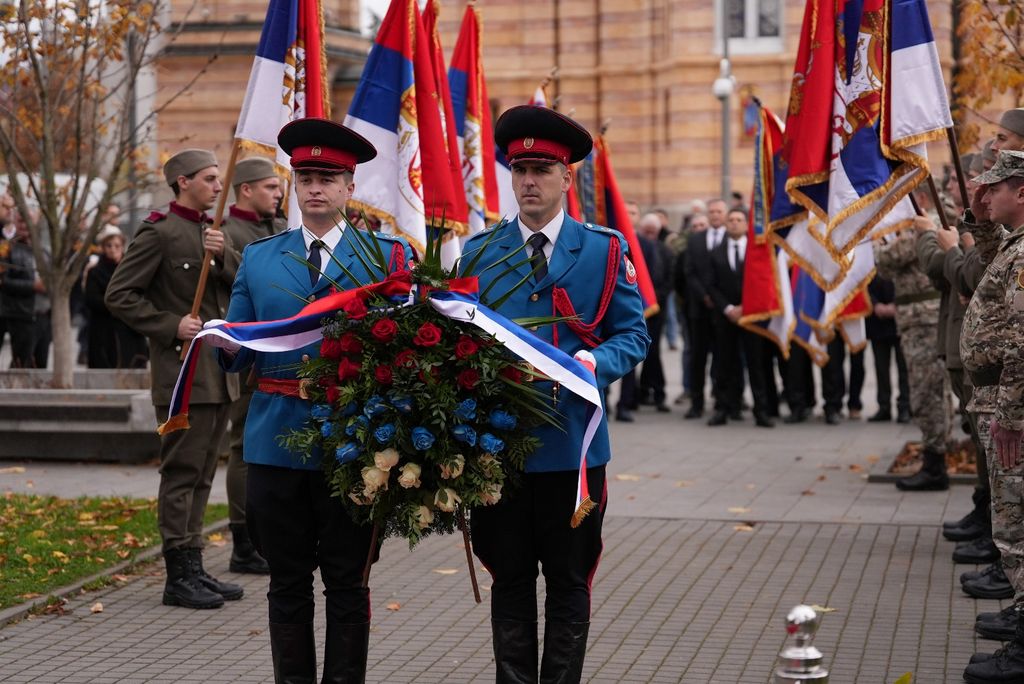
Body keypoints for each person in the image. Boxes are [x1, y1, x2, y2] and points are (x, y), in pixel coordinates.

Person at [213, 118, 411, 683]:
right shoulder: (260, 258)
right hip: (275, 441)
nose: (315, 188)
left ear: (351, 186)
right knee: (287, 582)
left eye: (328, 177)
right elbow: (242, 344)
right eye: (305, 177)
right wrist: (223, 345)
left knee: (349, 582)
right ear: (294, 185)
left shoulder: (384, 259)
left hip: (352, 442)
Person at [461, 105, 649, 684]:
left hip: (573, 450)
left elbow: (633, 333)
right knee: (509, 579)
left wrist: (596, 361)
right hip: (501, 450)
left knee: (569, 582)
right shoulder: (479, 253)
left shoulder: (603, 249)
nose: (529, 181)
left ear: (568, 178)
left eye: (542, 169)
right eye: (520, 170)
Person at [105, 148, 243, 610]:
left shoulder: (212, 232)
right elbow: (120, 295)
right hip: (183, 372)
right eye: (208, 179)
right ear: (183, 182)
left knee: (204, 473)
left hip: (218, 374)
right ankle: (177, 574)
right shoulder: (159, 232)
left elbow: (239, 285)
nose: (216, 186)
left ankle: (194, 563)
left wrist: (223, 258)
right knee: (182, 472)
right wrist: (170, 324)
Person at [960, 149, 1024, 683]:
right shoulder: (1014, 244)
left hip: (1012, 411)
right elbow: (987, 260)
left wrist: (1010, 414)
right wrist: (980, 223)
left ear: (1021, 192)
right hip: (998, 401)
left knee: (1016, 526)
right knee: (1012, 523)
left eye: (996, 188)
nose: (987, 194)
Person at [219, 156, 284, 576]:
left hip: (287, 357)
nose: (279, 195)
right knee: (243, 446)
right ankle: (243, 538)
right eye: (270, 188)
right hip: (249, 357)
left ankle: (269, 530)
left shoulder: (280, 230)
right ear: (245, 189)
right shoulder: (227, 235)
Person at [874, 221, 952, 491]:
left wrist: (879, 247)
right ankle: (935, 459)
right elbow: (884, 270)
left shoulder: (924, 222)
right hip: (915, 320)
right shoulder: (916, 226)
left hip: (923, 320)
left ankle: (935, 466)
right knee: (925, 390)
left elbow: (887, 258)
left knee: (927, 391)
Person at [706, 208, 775, 427]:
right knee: (725, 364)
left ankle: (761, 411)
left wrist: (747, 307)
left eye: (739, 220)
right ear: (726, 224)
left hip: (752, 316)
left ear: (747, 224)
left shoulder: (757, 251)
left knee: (756, 364)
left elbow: (764, 282)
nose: (735, 223)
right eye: (731, 220)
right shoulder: (716, 252)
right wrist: (728, 308)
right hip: (726, 318)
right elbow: (712, 285)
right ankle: (724, 408)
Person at [682, 199, 727, 418]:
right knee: (697, 359)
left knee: (723, 358)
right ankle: (696, 403)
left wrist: (719, 300)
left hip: (723, 312)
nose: (715, 215)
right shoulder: (696, 240)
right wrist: (705, 296)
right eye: (712, 211)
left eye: (719, 211)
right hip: (699, 310)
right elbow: (689, 272)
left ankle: (722, 401)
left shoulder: (731, 238)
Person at [83, 225, 148, 368]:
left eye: (117, 245)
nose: (113, 249)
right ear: (103, 247)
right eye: (109, 245)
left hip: (129, 328)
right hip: (104, 329)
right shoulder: (95, 272)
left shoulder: (132, 270)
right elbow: (91, 299)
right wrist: (116, 304)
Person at [865, 274, 911, 423]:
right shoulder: (870, 256)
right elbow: (862, 283)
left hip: (900, 321)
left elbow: (910, 283)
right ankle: (884, 406)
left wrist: (896, 305)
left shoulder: (901, 254)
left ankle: (904, 406)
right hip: (877, 322)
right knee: (881, 368)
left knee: (904, 368)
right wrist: (874, 304)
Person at [0, 205, 38, 368]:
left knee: (22, 361)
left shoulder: (41, 247)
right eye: (21, 221)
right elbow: (3, 280)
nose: (24, 225)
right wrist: (33, 286)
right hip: (6, 309)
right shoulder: (6, 246)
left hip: (28, 312)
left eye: (28, 221)